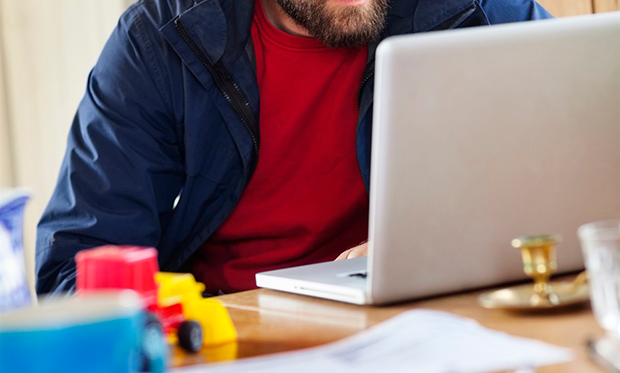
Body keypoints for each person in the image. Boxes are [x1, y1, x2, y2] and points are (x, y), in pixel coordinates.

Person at [36, 0, 552, 296]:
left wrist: (435, 246)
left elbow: (579, 174)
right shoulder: (159, 40)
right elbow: (73, 272)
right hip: (236, 336)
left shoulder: (476, 10)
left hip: (424, 319)